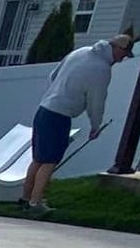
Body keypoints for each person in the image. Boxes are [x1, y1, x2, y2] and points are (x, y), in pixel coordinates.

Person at [21, 32, 134, 215]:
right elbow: (96, 101)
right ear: (117, 48)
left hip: (44, 109)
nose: (121, 60)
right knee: (50, 162)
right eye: (123, 55)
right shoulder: (102, 69)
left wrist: (59, 93)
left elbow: (53, 75)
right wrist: (95, 126)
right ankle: (35, 203)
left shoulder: (80, 52)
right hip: (60, 116)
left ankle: (25, 199)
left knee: (38, 159)